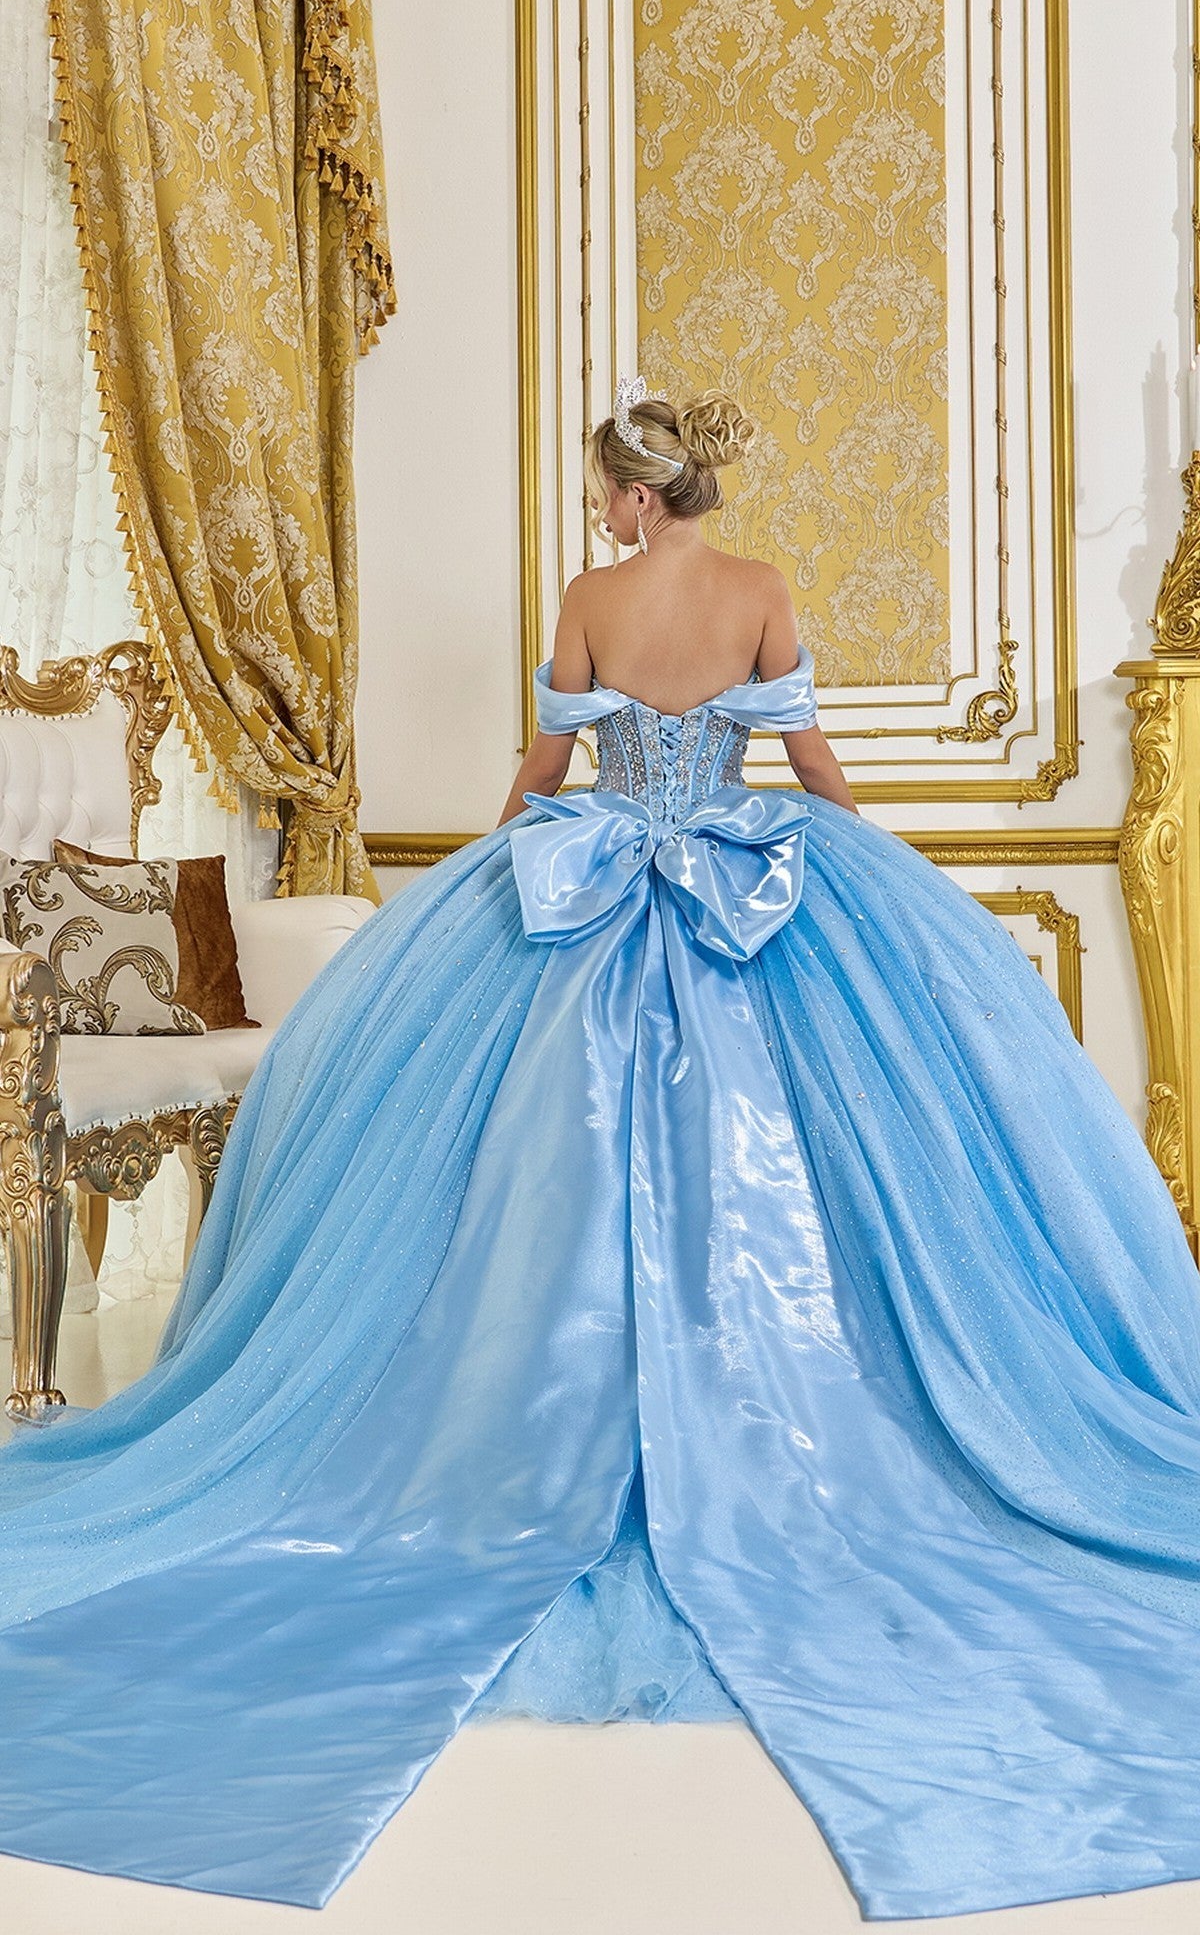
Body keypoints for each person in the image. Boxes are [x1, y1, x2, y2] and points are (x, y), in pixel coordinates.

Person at [3, 379, 1200, 1923]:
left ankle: (531, 1426)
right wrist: (880, 866)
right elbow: (810, 767)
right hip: (755, 888)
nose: (593, 516)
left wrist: (497, 851)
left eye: (599, 493)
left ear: (637, 499)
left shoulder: (590, 599)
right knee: (809, 1177)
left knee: (538, 1177)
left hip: (584, 901)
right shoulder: (761, 593)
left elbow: (550, 775)